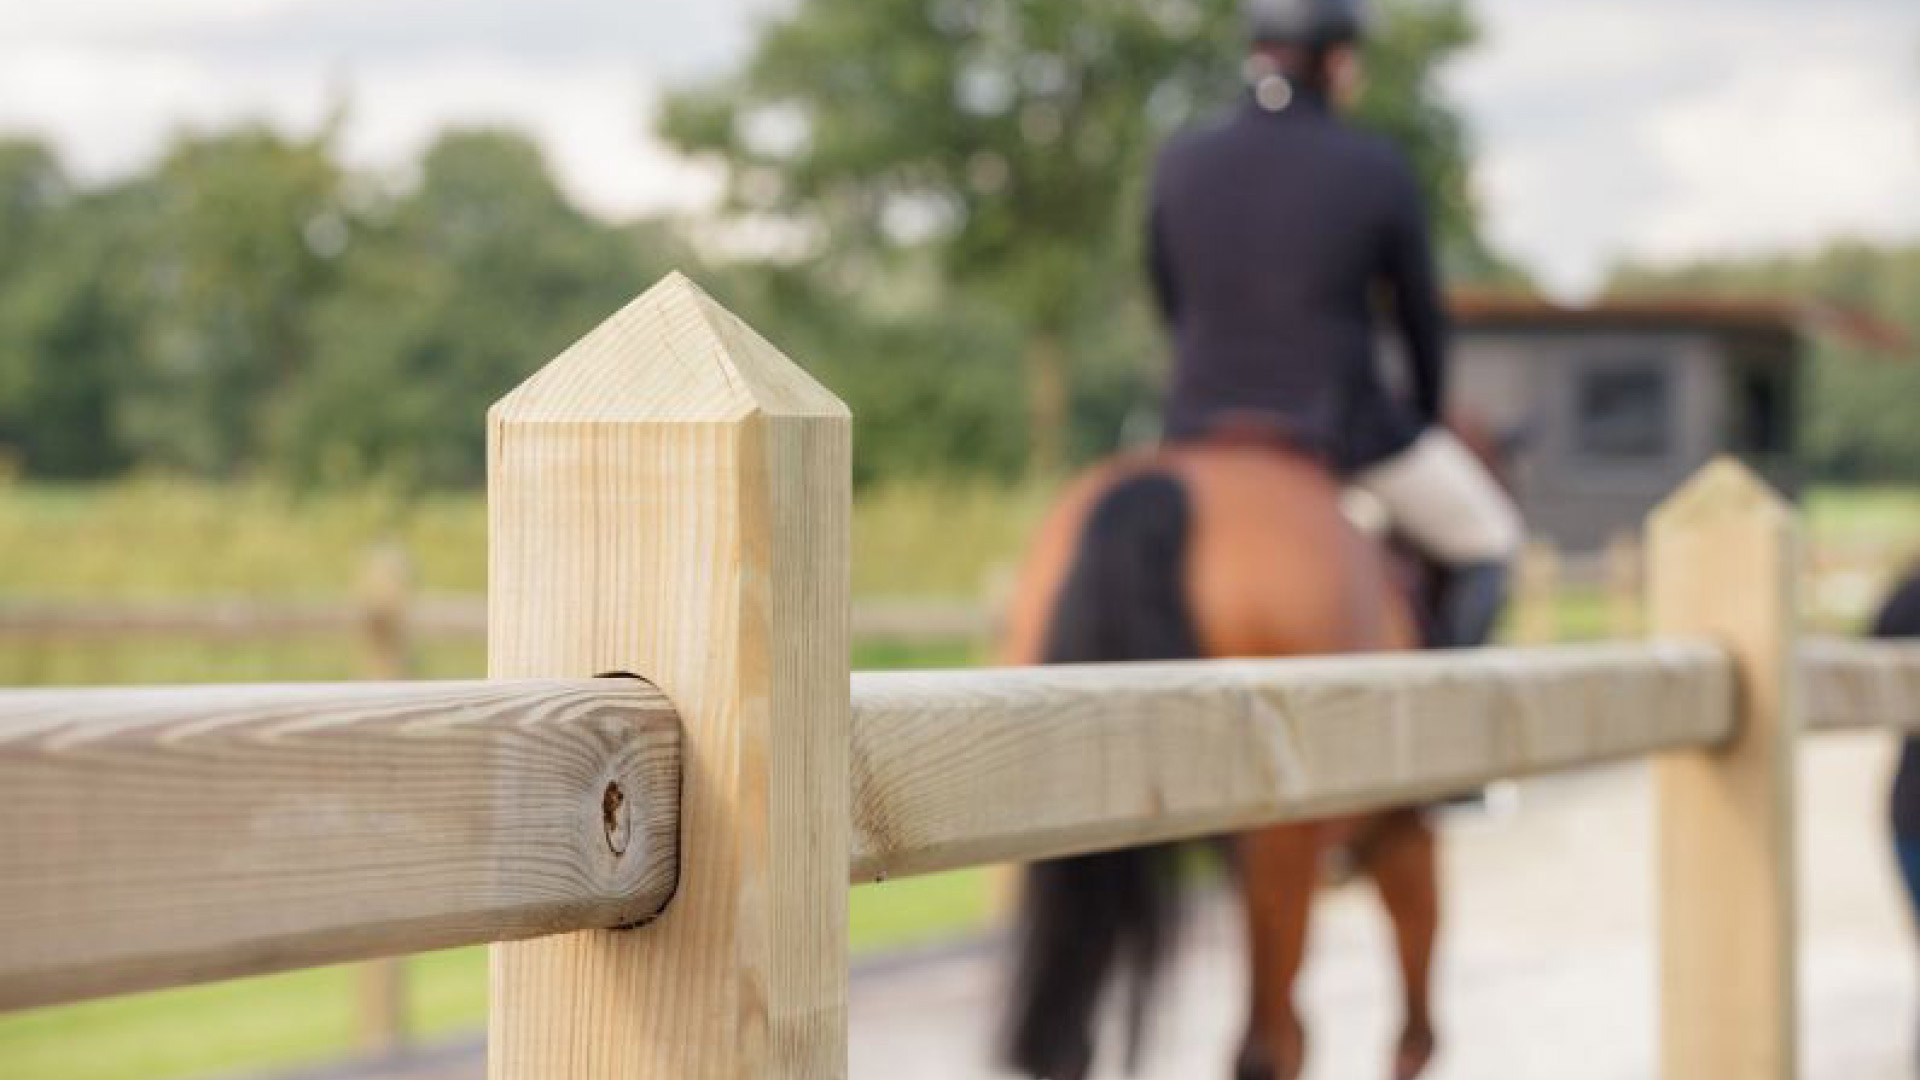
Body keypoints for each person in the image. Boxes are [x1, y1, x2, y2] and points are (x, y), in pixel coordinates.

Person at [1147, 0, 1521, 647]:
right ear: (1338, 63)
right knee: (1490, 537)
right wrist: (1425, 416)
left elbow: (1171, 301)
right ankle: (1443, 702)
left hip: (1195, 424)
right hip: (1339, 428)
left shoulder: (1179, 160)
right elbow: (1421, 322)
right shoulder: (1375, 166)